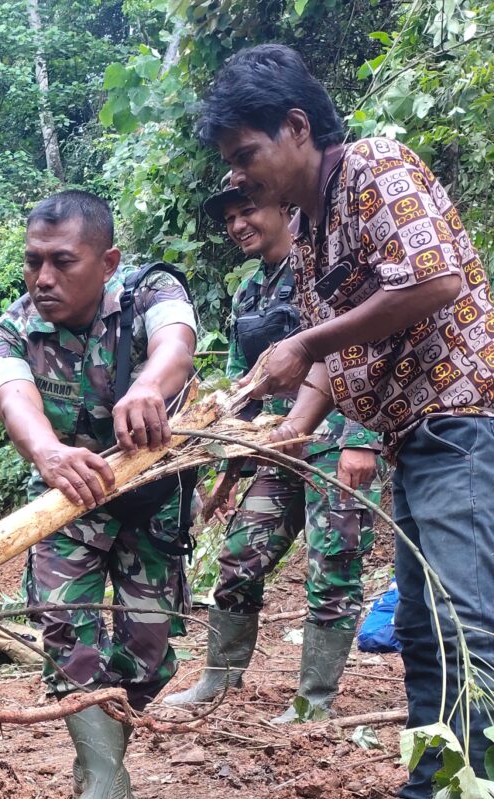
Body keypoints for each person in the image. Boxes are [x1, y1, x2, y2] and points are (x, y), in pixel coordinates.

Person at [197, 44, 494, 799]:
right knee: (421, 629)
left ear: (298, 128)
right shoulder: (310, 235)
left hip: (458, 418)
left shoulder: (379, 167)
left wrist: (302, 350)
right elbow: (338, 358)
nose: (239, 176)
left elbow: (435, 282)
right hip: (409, 432)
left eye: (244, 154)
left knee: (469, 624)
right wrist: (280, 418)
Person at [0, 190, 198, 799]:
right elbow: (9, 391)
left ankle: (102, 759)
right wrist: (47, 450)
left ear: (108, 262)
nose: (43, 278)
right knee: (67, 629)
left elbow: (177, 342)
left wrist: (150, 387)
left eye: (63, 262)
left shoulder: (148, 291)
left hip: (152, 495)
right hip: (68, 499)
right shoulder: (11, 328)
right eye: (33, 261)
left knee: (151, 649)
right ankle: (104, 779)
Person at [168, 178, 383, 721]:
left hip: (334, 440)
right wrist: (228, 470)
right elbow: (245, 385)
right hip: (274, 447)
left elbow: (362, 350)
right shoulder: (248, 293)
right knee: (240, 557)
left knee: (332, 566)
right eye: (230, 219)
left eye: (249, 211)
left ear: (286, 209)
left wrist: (362, 440)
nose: (239, 225)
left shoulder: (323, 272)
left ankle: (314, 703)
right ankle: (218, 679)